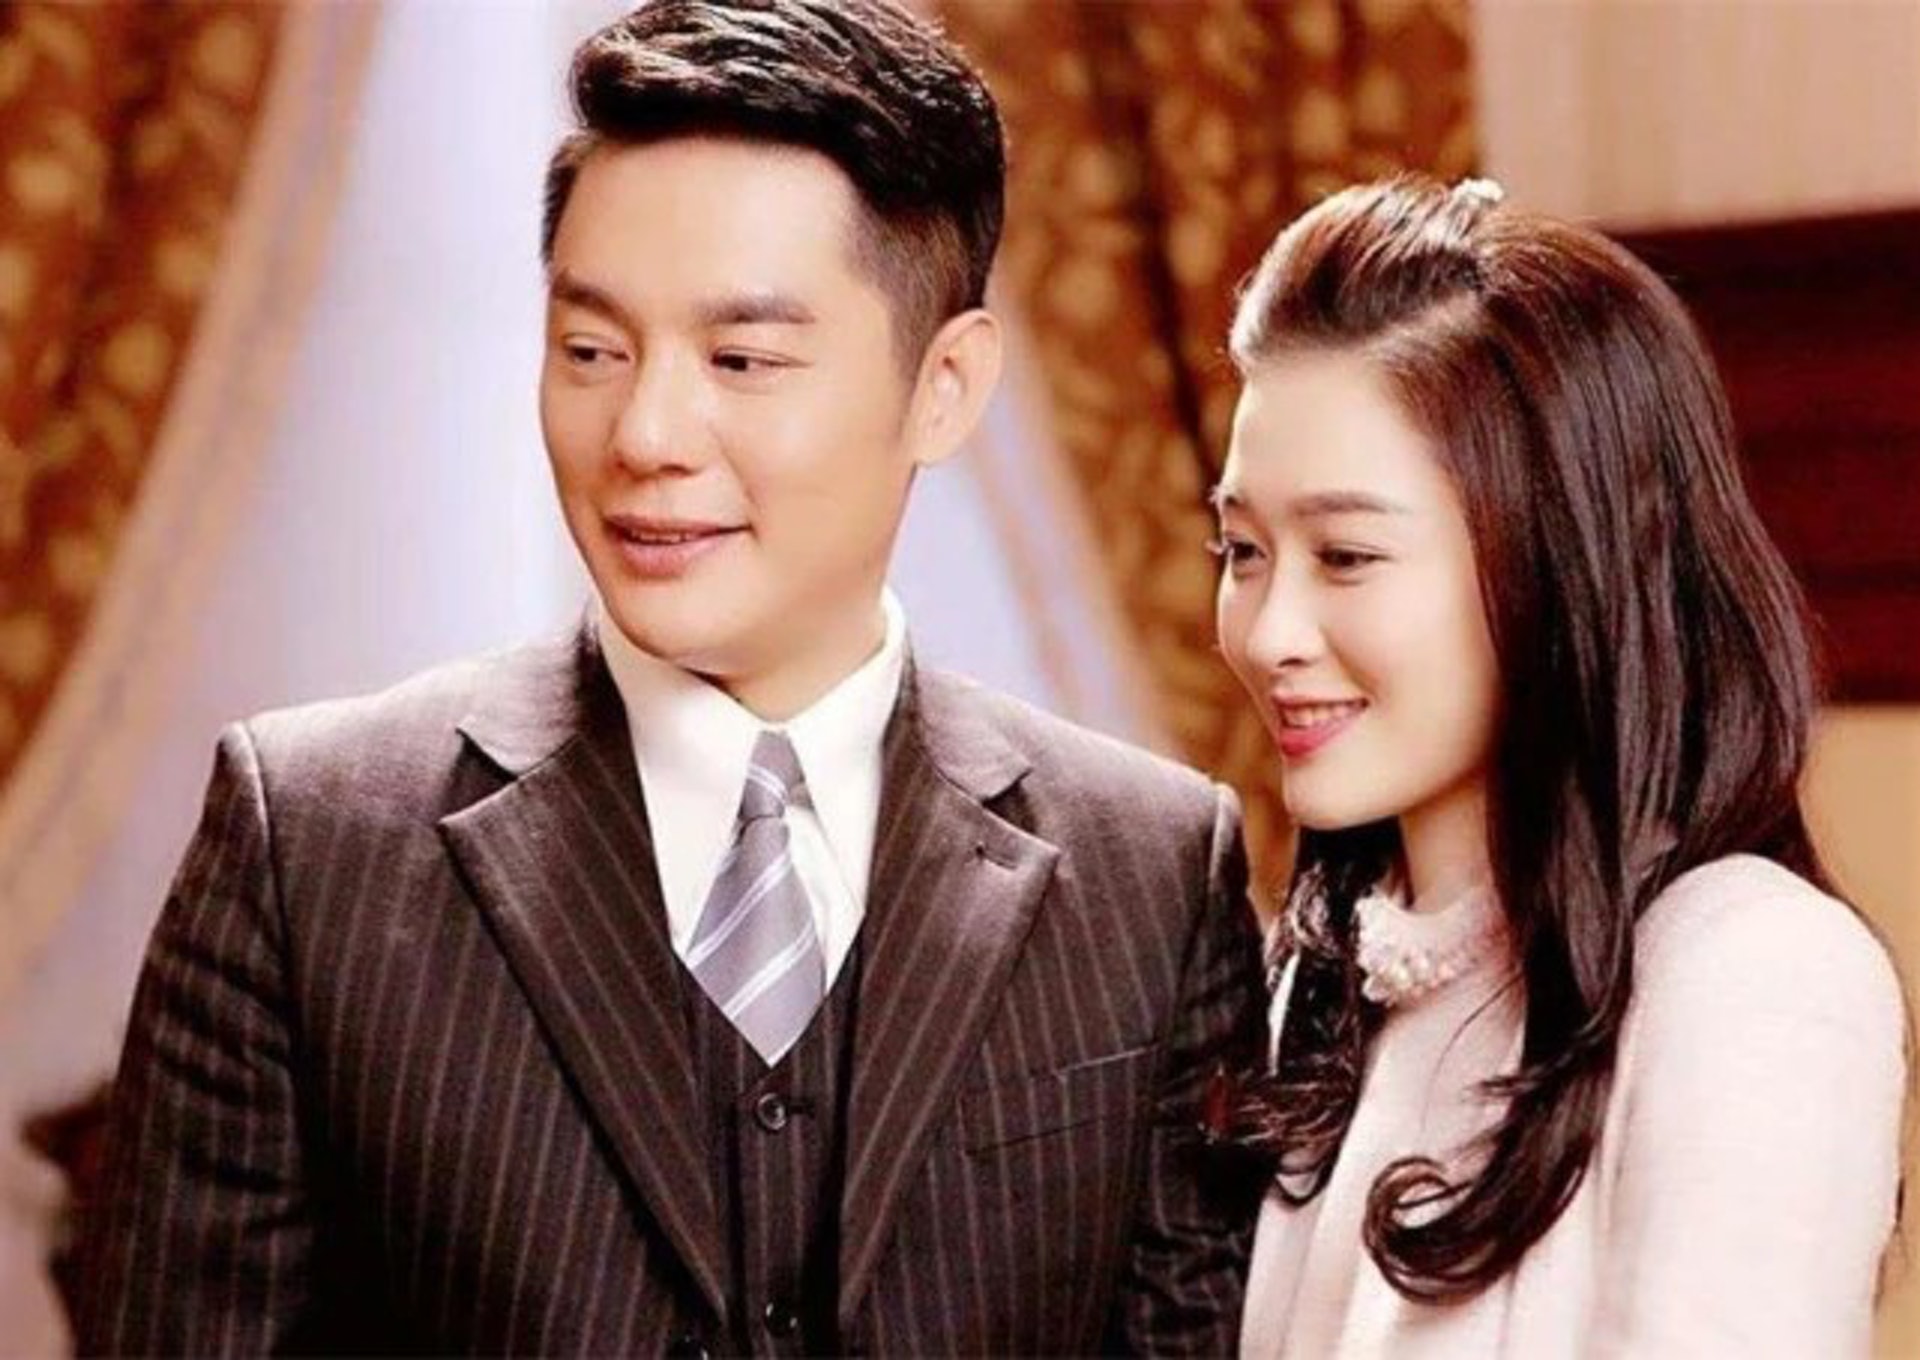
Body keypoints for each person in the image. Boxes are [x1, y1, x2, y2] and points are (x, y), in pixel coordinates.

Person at [72, 2, 1268, 1353]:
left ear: (944, 384)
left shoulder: (1154, 876)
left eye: (742, 360)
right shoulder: (307, 846)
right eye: (592, 351)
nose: (643, 433)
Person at [1210, 175, 1906, 1357]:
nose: (1270, 631)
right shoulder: (1315, 985)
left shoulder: (1747, 971)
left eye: (1347, 554)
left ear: (1556, 558)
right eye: (1240, 549)